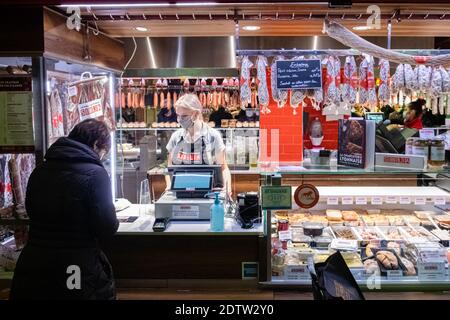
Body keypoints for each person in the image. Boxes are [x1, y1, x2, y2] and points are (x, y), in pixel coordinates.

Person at [10, 119, 119, 300]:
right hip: (74, 267)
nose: (102, 157)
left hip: (35, 263)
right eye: (104, 152)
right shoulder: (95, 173)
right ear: (96, 145)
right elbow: (106, 227)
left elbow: (31, 211)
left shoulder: (40, 170)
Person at [165, 94, 231, 196]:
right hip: (181, 194)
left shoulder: (213, 136)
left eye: (184, 116)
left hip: (209, 195)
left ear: (196, 114)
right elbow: (169, 168)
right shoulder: (176, 137)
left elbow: (223, 168)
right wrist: (169, 187)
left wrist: (227, 189)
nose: (180, 119)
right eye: (178, 115)